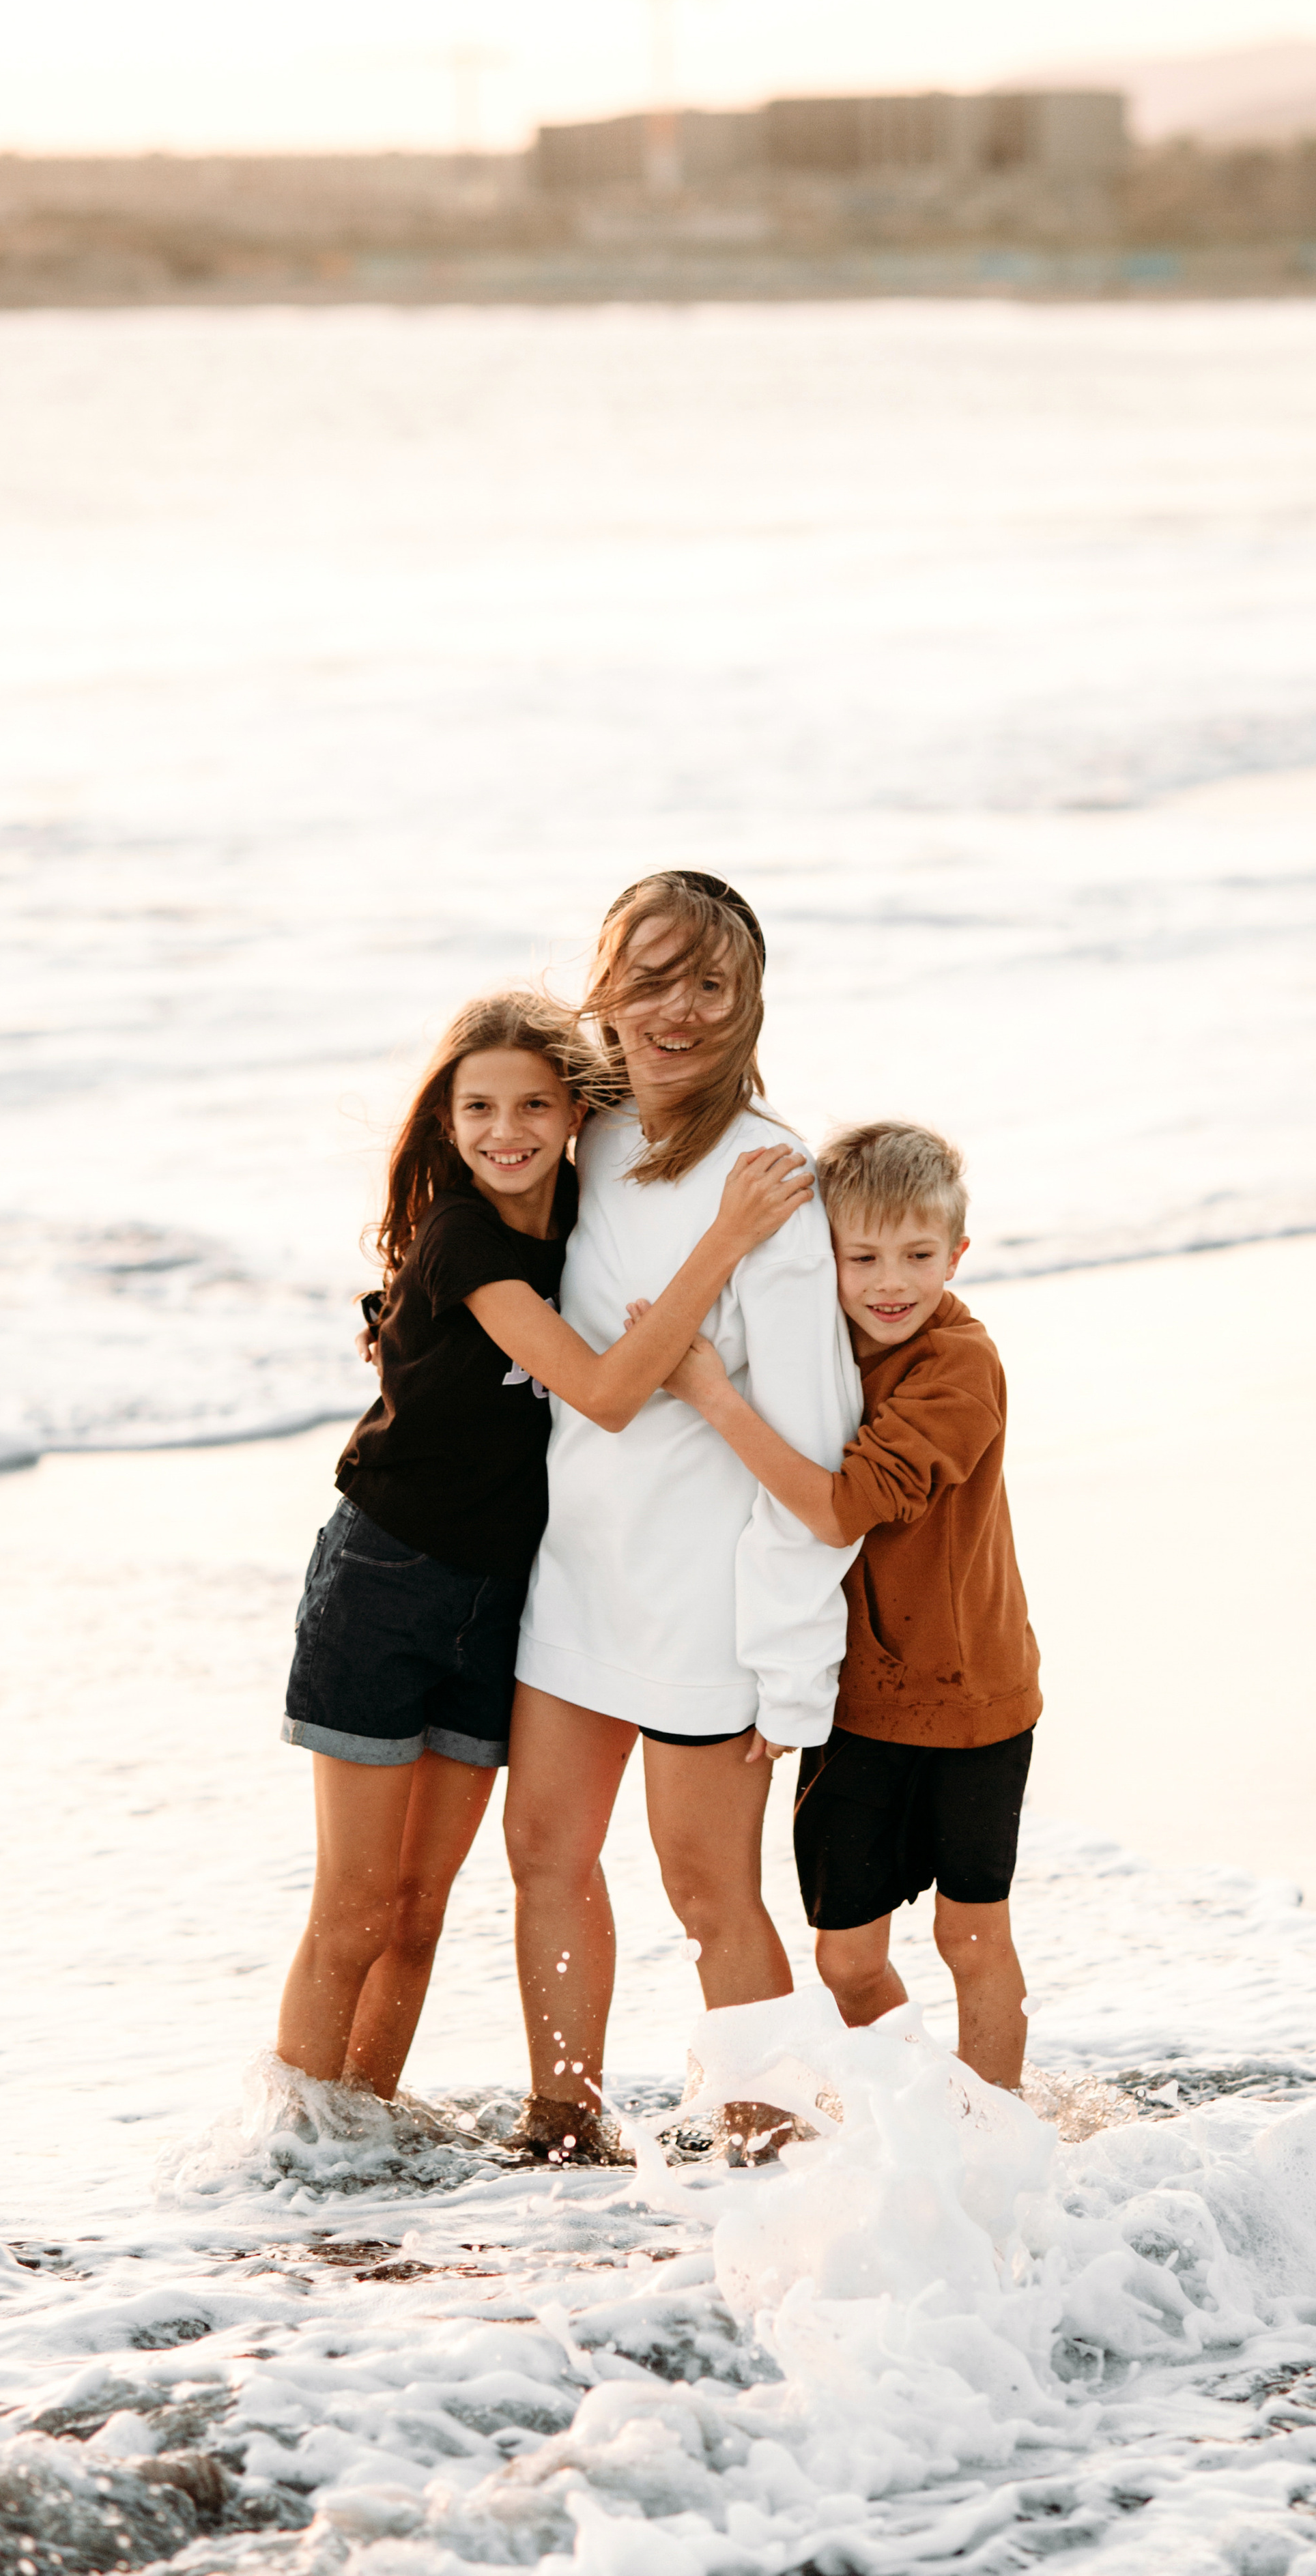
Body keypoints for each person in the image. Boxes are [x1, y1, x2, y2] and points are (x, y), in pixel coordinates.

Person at [274, 988, 812, 2098]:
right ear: (445, 1120)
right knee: (356, 1910)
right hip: (385, 1584)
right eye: (477, 1108)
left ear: (577, 1113)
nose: (503, 1131)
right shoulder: (463, 1240)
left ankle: (358, 2139)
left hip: (499, 1604)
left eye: (531, 1104)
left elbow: (679, 1101)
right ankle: (289, 2153)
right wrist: (729, 1238)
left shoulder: (582, 1207)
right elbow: (611, 1390)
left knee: (421, 1911)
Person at [504, 873, 863, 2160]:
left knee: (708, 1887)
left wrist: (790, 1665)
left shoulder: (766, 1176)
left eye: (712, 984)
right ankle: (563, 2124)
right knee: (544, 1851)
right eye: (651, 980)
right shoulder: (580, 1134)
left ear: (749, 998)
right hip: (578, 1571)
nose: (681, 1012)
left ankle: (768, 2141)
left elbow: (817, 1444)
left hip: (709, 1599)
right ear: (605, 984)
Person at [662, 1120, 1041, 2089]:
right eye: (860, 1256)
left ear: (958, 1254)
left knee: (970, 1936)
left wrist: (709, 1393)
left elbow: (836, 1514)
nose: (890, 1283)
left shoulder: (960, 1369)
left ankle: (997, 2134)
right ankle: (928, 2109)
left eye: (918, 1256)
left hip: (971, 1699)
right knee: (847, 1960)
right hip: (857, 1700)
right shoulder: (818, 1349)